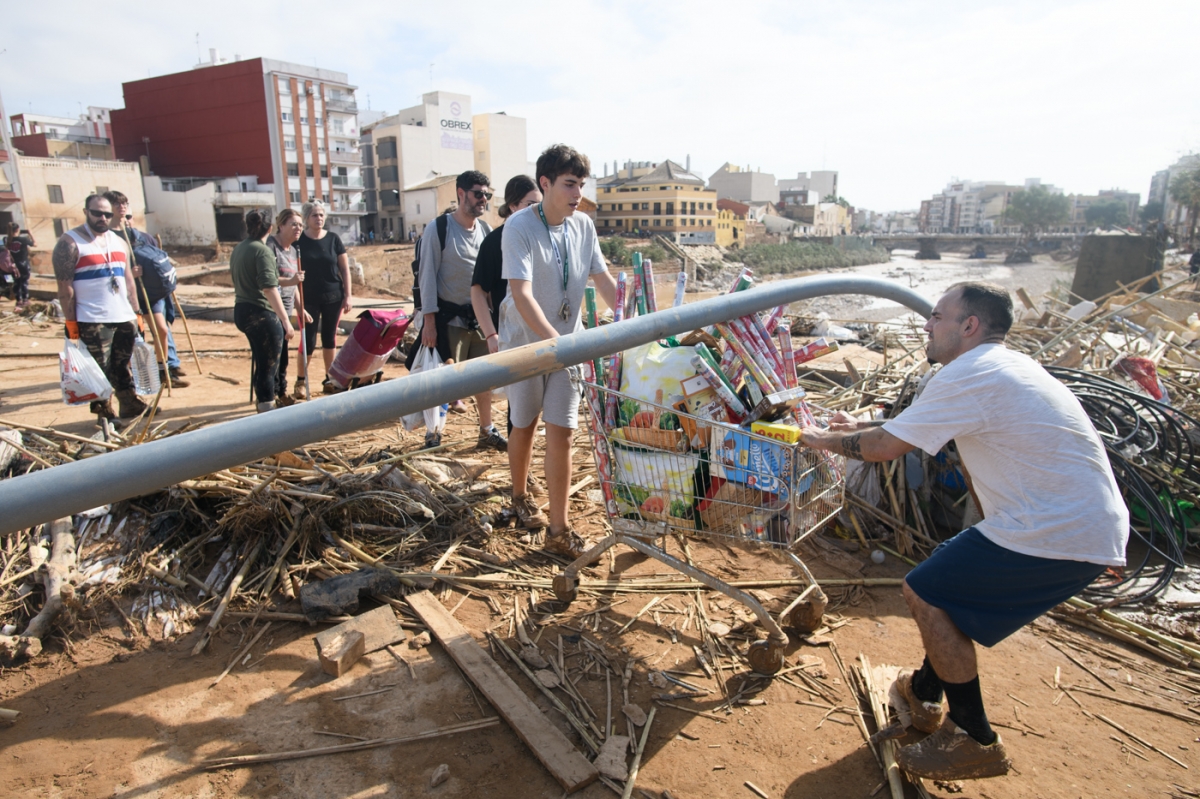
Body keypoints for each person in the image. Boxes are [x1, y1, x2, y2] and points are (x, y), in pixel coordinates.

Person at [798, 282, 1128, 781]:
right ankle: (927, 694)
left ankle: (975, 739)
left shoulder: (970, 372)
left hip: (1053, 530)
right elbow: (918, 426)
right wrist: (862, 424)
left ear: (968, 326)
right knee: (946, 581)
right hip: (1074, 524)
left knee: (925, 591)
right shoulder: (1004, 366)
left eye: (936, 316)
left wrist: (821, 439)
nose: (926, 325)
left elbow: (887, 446)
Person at [499, 144, 617, 556]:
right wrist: (558, 344)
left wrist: (636, 315)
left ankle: (558, 529)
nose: (577, 194)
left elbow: (602, 281)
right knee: (525, 423)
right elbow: (522, 294)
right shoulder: (518, 228)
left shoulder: (583, 226)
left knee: (563, 433)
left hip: (568, 344)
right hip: (527, 344)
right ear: (545, 183)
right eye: (569, 184)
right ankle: (518, 495)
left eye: (581, 185)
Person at [416, 169, 505, 451]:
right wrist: (428, 321)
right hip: (447, 319)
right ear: (460, 194)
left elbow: (489, 281)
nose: (483, 200)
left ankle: (486, 430)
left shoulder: (486, 231)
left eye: (487, 195)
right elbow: (426, 276)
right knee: (442, 380)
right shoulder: (438, 228)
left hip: (478, 318)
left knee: (484, 379)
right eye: (478, 194)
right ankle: (434, 433)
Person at [472, 174, 545, 505]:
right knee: (520, 411)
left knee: (537, 413)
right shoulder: (496, 241)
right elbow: (478, 291)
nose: (537, 211)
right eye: (531, 204)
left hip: (543, 334)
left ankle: (525, 472)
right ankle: (521, 484)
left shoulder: (546, 237)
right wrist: (490, 333)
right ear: (513, 205)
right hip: (514, 337)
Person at [51, 194, 147, 419]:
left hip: (123, 315)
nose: (102, 218)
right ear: (86, 212)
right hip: (91, 318)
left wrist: (137, 312)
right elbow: (65, 289)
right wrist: (71, 322)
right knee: (98, 368)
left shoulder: (118, 241)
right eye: (97, 213)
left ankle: (129, 402)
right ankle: (104, 412)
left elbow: (128, 281)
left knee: (122, 364)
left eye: (107, 214)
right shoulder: (70, 243)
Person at [104, 190, 189, 389]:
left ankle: (164, 370)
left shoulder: (139, 235)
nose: (121, 207)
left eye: (124, 203)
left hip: (151, 293)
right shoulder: (108, 238)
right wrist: (128, 275)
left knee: (162, 329)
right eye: (116, 204)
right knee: (135, 338)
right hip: (127, 296)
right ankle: (140, 376)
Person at [231, 209, 296, 413]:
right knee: (269, 366)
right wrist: (285, 320)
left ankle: (263, 403)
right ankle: (267, 409)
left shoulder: (240, 248)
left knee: (261, 361)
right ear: (270, 228)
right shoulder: (262, 251)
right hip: (260, 313)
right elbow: (269, 287)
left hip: (241, 309)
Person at [295, 200, 351, 397]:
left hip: (333, 297)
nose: (318, 218)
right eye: (314, 215)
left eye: (321, 214)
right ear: (306, 218)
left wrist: (348, 295)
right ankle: (301, 381)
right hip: (307, 299)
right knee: (308, 341)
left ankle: (330, 379)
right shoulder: (299, 241)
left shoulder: (334, 239)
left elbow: (344, 269)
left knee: (329, 338)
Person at [266, 208, 310, 406]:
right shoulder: (270, 247)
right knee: (275, 354)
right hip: (271, 307)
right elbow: (268, 280)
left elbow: (295, 286)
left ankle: (281, 391)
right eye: (293, 224)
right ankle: (272, 394)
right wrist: (291, 280)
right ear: (281, 225)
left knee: (283, 354)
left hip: (287, 306)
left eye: (300, 225)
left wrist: (301, 309)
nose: (298, 228)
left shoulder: (293, 251)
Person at [5, 222, 35, 310]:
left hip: (13, 265)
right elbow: (35, 244)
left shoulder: (6, 240)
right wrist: (30, 234)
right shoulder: (23, 239)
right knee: (24, 282)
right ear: (18, 229)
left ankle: (18, 301)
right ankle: (25, 300)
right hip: (23, 264)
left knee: (17, 283)